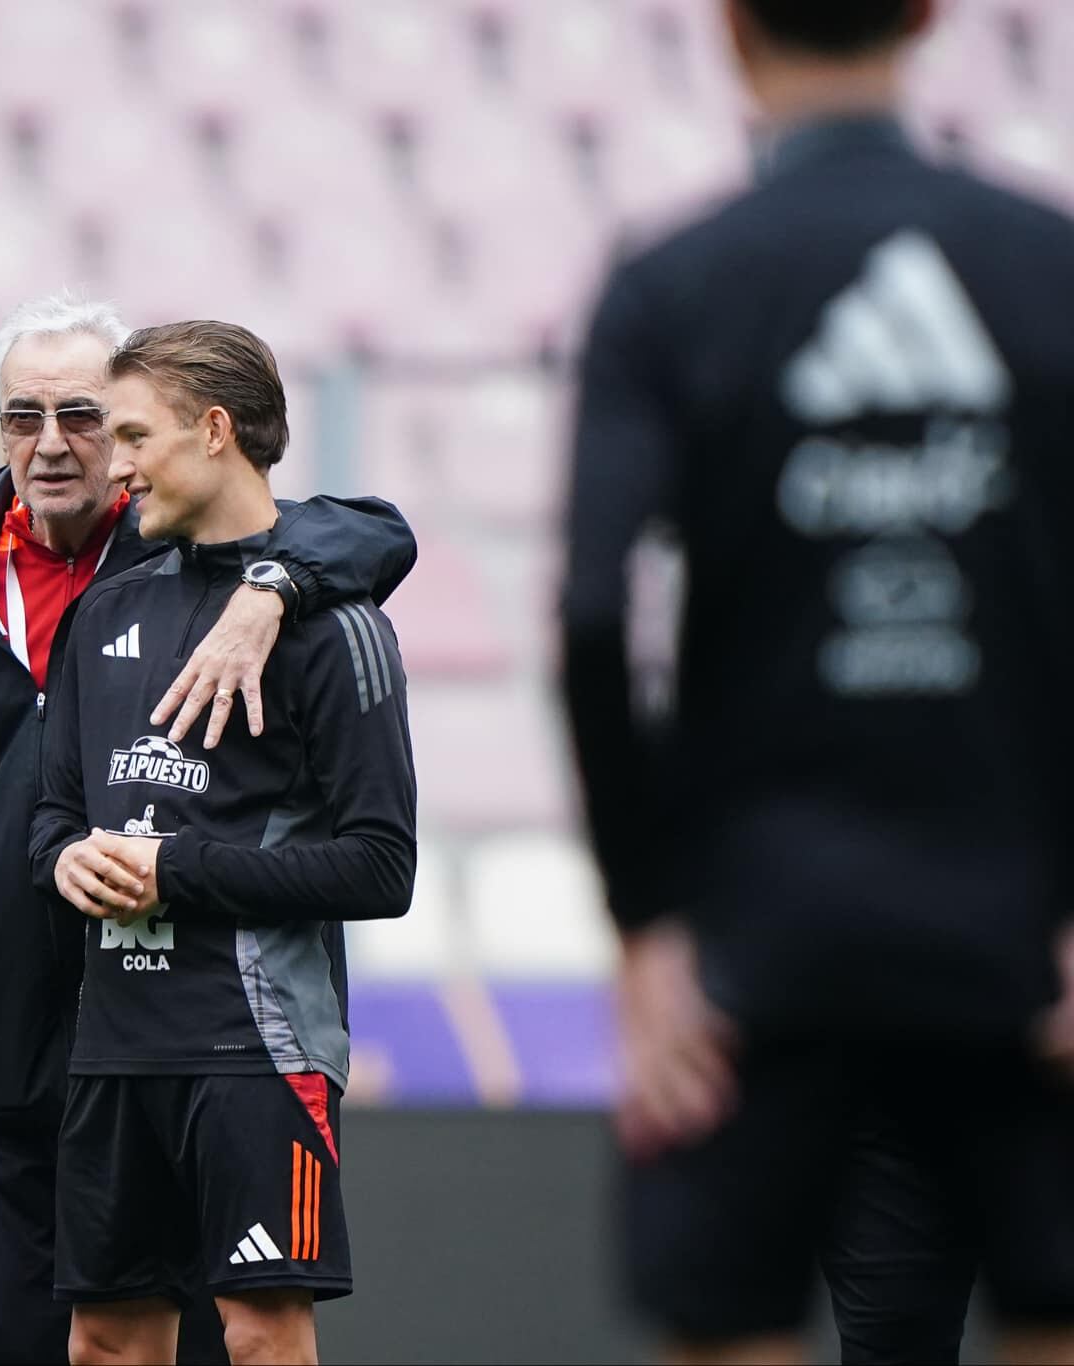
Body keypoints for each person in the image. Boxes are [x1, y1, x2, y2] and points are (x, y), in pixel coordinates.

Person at [0, 291, 415, 1363]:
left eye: (89, 419)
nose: (56, 444)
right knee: (16, 1332)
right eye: (24, 417)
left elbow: (371, 529)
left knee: (226, 1335)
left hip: (177, 1022)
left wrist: (274, 585)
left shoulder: (193, 553)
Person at [559, 1, 1074, 1361]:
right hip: (1019, 922)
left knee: (726, 1320)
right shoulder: (1048, 263)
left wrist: (647, 923)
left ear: (729, 32)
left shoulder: (674, 281)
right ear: (927, 20)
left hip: (758, 944)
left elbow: (597, 611)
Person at [29, 320, 418, 1365]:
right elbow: (51, 816)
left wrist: (175, 870)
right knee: (104, 1342)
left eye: (130, 435)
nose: (111, 465)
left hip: (257, 1046)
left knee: (256, 1337)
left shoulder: (335, 628)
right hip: (113, 1045)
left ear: (212, 430)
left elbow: (382, 868)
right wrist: (64, 858)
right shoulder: (103, 609)